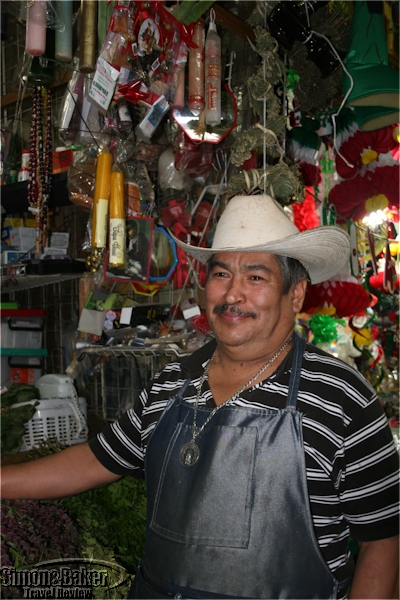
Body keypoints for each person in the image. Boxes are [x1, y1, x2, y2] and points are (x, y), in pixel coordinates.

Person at [1, 195, 399, 599]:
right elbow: (95, 460)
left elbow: (382, 542)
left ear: (295, 294)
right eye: (222, 274)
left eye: (256, 277)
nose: (232, 295)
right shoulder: (172, 381)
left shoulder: (341, 396)